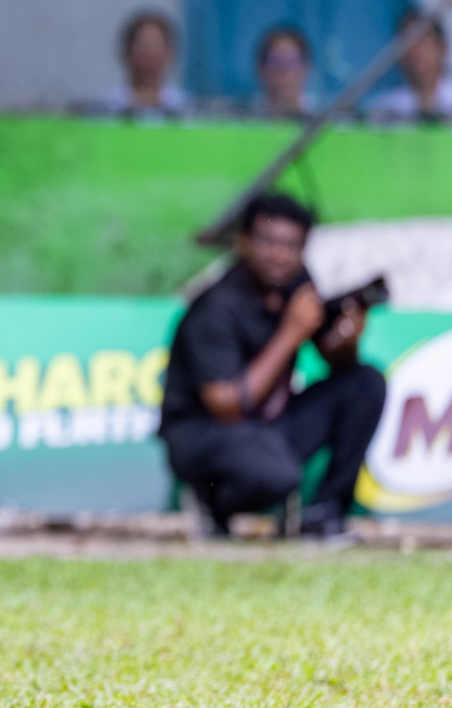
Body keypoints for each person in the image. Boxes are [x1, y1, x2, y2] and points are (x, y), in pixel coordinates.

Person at [159, 193, 386, 539]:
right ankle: (212, 503)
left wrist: (346, 339)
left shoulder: (296, 281)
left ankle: (324, 514)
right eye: (269, 243)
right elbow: (226, 406)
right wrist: (290, 333)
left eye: (292, 245)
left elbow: (332, 357)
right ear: (243, 243)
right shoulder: (215, 308)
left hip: (267, 428)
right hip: (204, 434)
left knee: (364, 384)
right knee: (276, 475)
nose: (280, 255)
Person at [100, 10, 189, 118]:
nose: (150, 56)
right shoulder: (108, 105)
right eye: (143, 48)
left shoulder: (183, 107)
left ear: (169, 54)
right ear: (127, 53)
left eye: (156, 48)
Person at [370, 9, 452, 122]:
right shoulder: (386, 109)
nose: (416, 50)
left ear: (442, 47)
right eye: (408, 42)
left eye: (423, 40)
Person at [251, 25, 313, 118]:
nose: (285, 70)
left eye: (292, 62)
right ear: (261, 68)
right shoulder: (245, 117)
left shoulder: (324, 118)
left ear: (306, 67)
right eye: (276, 62)